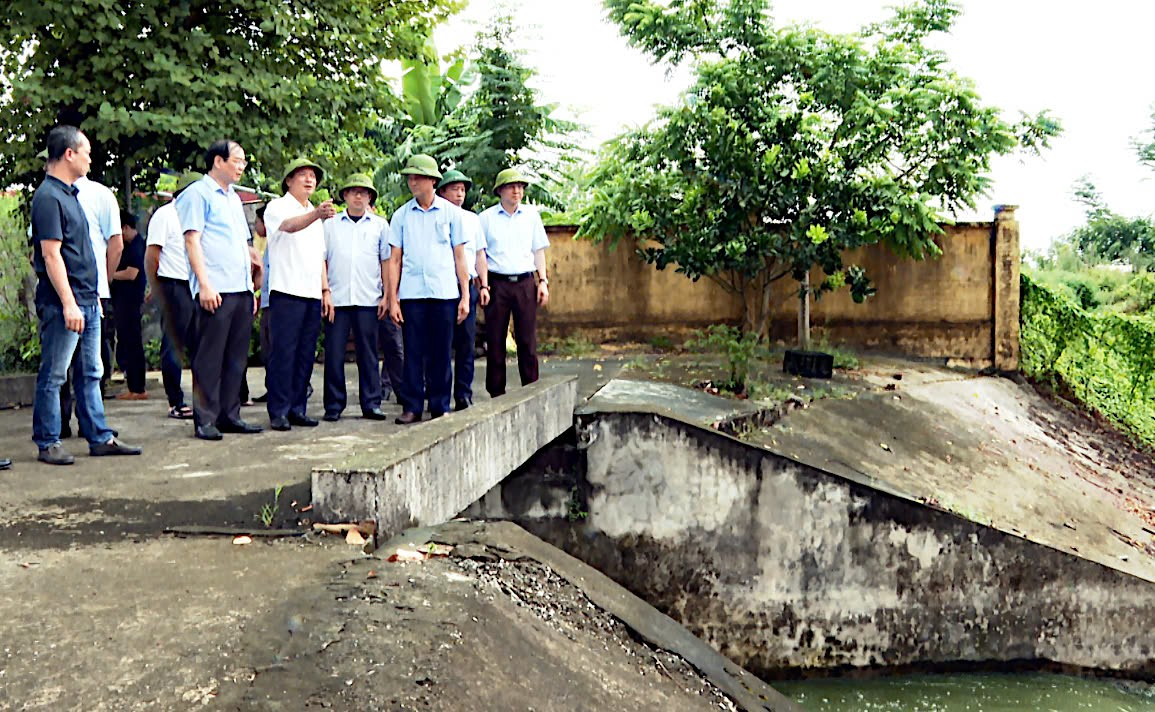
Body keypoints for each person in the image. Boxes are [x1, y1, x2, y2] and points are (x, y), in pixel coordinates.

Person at [30, 125, 141, 464]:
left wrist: (93, 297)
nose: (90, 159)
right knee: (55, 373)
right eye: (86, 153)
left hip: (88, 300)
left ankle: (99, 435)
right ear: (69, 154)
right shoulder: (48, 197)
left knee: (91, 372)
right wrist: (68, 302)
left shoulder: (71, 195)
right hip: (67, 302)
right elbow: (50, 255)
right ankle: (48, 441)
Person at [176, 140, 263, 440]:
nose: (241, 167)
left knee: (236, 357)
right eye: (237, 160)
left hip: (238, 287)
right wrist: (204, 284)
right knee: (209, 357)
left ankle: (230, 414)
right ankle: (206, 418)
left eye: (243, 162)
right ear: (218, 161)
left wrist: (251, 286)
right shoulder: (197, 194)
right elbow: (192, 241)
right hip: (215, 288)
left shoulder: (233, 199)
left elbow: (243, 244)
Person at [386, 155, 469, 424]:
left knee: (442, 352)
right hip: (412, 294)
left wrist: (465, 295)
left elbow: (460, 257)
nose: (412, 182)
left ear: (433, 181)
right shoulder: (401, 216)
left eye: (417, 177)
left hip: (444, 293)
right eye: (410, 177)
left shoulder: (451, 214)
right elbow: (395, 259)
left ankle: (440, 405)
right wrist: (393, 299)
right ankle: (412, 406)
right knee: (412, 352)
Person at [263, 158, 334, 431]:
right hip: (286, 291)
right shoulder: (278, 207)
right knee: (284, 352)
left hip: (311, 293)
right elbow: (289, 226)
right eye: (302, 175)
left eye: (313, 176)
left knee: (306, 353)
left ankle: (297, 407)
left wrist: (325, 290)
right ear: (289, 180)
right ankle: (278, 410)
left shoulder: (316, 218)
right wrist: (316, 214)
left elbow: (320, 259)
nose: (309, 180)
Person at [321, 174, 392, 422]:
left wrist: (387, 295)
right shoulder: (330, 225)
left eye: (364, 192)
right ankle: (333, 405)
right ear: (345, 196)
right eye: (353, 192)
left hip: (368, 298)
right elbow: (322, 259)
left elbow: (386, 261)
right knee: (334, 354)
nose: (358, 196)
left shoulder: (380, 225)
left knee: (369, 354)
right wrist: (325, 291)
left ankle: (371, 403)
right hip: (337, 300)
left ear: (370, 197)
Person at [59, 167, 123, 435]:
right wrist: (103, 284)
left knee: (64, 366)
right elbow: (115, 245)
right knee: (91, 365)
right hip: (89, 292)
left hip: (73, 292)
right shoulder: (99, 194)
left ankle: (63, 426)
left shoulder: (50, 195)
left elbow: (40, 250)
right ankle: (90, 426)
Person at [479, 168, 550, 398]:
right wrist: (483, 285)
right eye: (511, 186)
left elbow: (538, 250)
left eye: (520, 187)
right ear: (500, 190)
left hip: (525, 283)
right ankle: (496, 392)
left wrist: (543, 281)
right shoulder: (486, 218)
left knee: (527, 340)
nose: (516, 191)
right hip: (497, 284)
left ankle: (531, 389)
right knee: (496, 340)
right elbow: (479, 254)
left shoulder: (531, 216)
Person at [145, 171, 201, 419]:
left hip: (198, 284)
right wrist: (155, 286)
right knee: (174, 343)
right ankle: (175, 401)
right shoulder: (166, 215)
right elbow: (152, 255)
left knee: (202, 343)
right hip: (174, 283)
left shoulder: (201, 216)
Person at [435, 169, 489, 411]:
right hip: (442, 286)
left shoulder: (471, 219)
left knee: (467, 344)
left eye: (463, 189)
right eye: (454, 189)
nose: (459, 194)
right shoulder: (436, 217)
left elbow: (479, 255)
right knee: (440, 344)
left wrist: (484, 285)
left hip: (467, 284)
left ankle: (463, 394)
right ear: (442, 191)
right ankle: (439, 396)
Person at [110, 210, 147, 399]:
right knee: (127, 341)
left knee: (132, 342)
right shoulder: (131, 245)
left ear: (125, 227)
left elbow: (131, 273)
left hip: (130, 301)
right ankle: (134, 385)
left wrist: (108, 275)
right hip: (123, 301)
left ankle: (137, 387)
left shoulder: (136, 247)